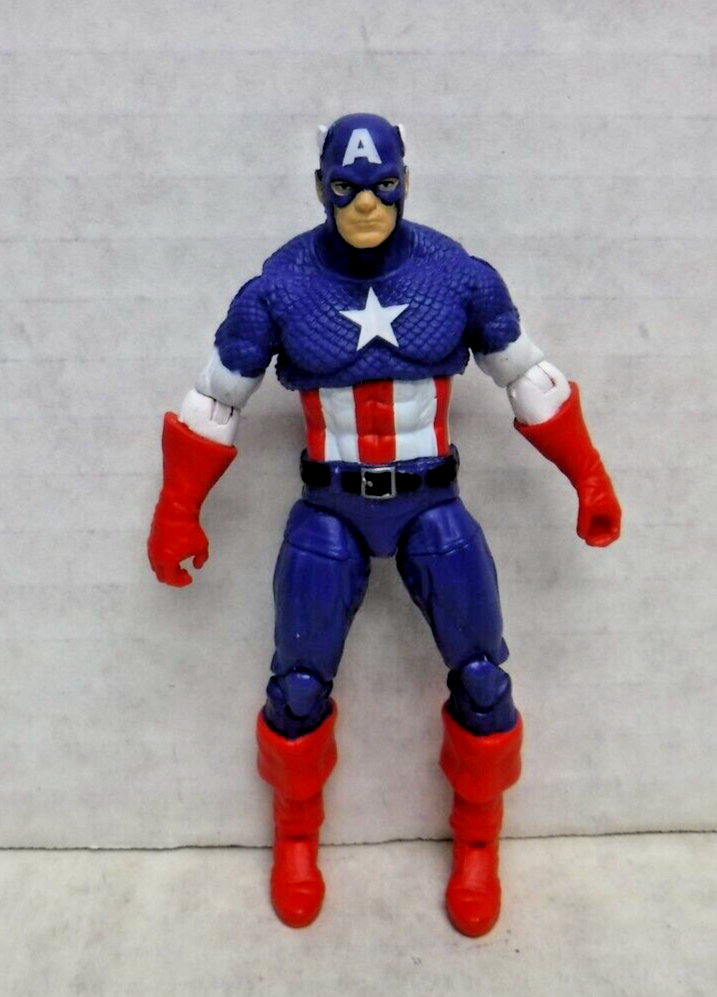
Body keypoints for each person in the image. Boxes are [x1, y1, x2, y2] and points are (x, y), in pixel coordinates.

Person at [148, 113, 621, 936]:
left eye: (382, 186)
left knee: (483, 677)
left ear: (405, 181)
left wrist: (589, 477)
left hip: (431, 503)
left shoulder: (455, 277)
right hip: (328, 507)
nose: (365, 204)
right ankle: (296, 838)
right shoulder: (280, 288)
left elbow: (531, 377)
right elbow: (215, 400)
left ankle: (478, 843)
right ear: (320, 187)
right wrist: (176, 509)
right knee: (297, 685)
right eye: (346, 188)